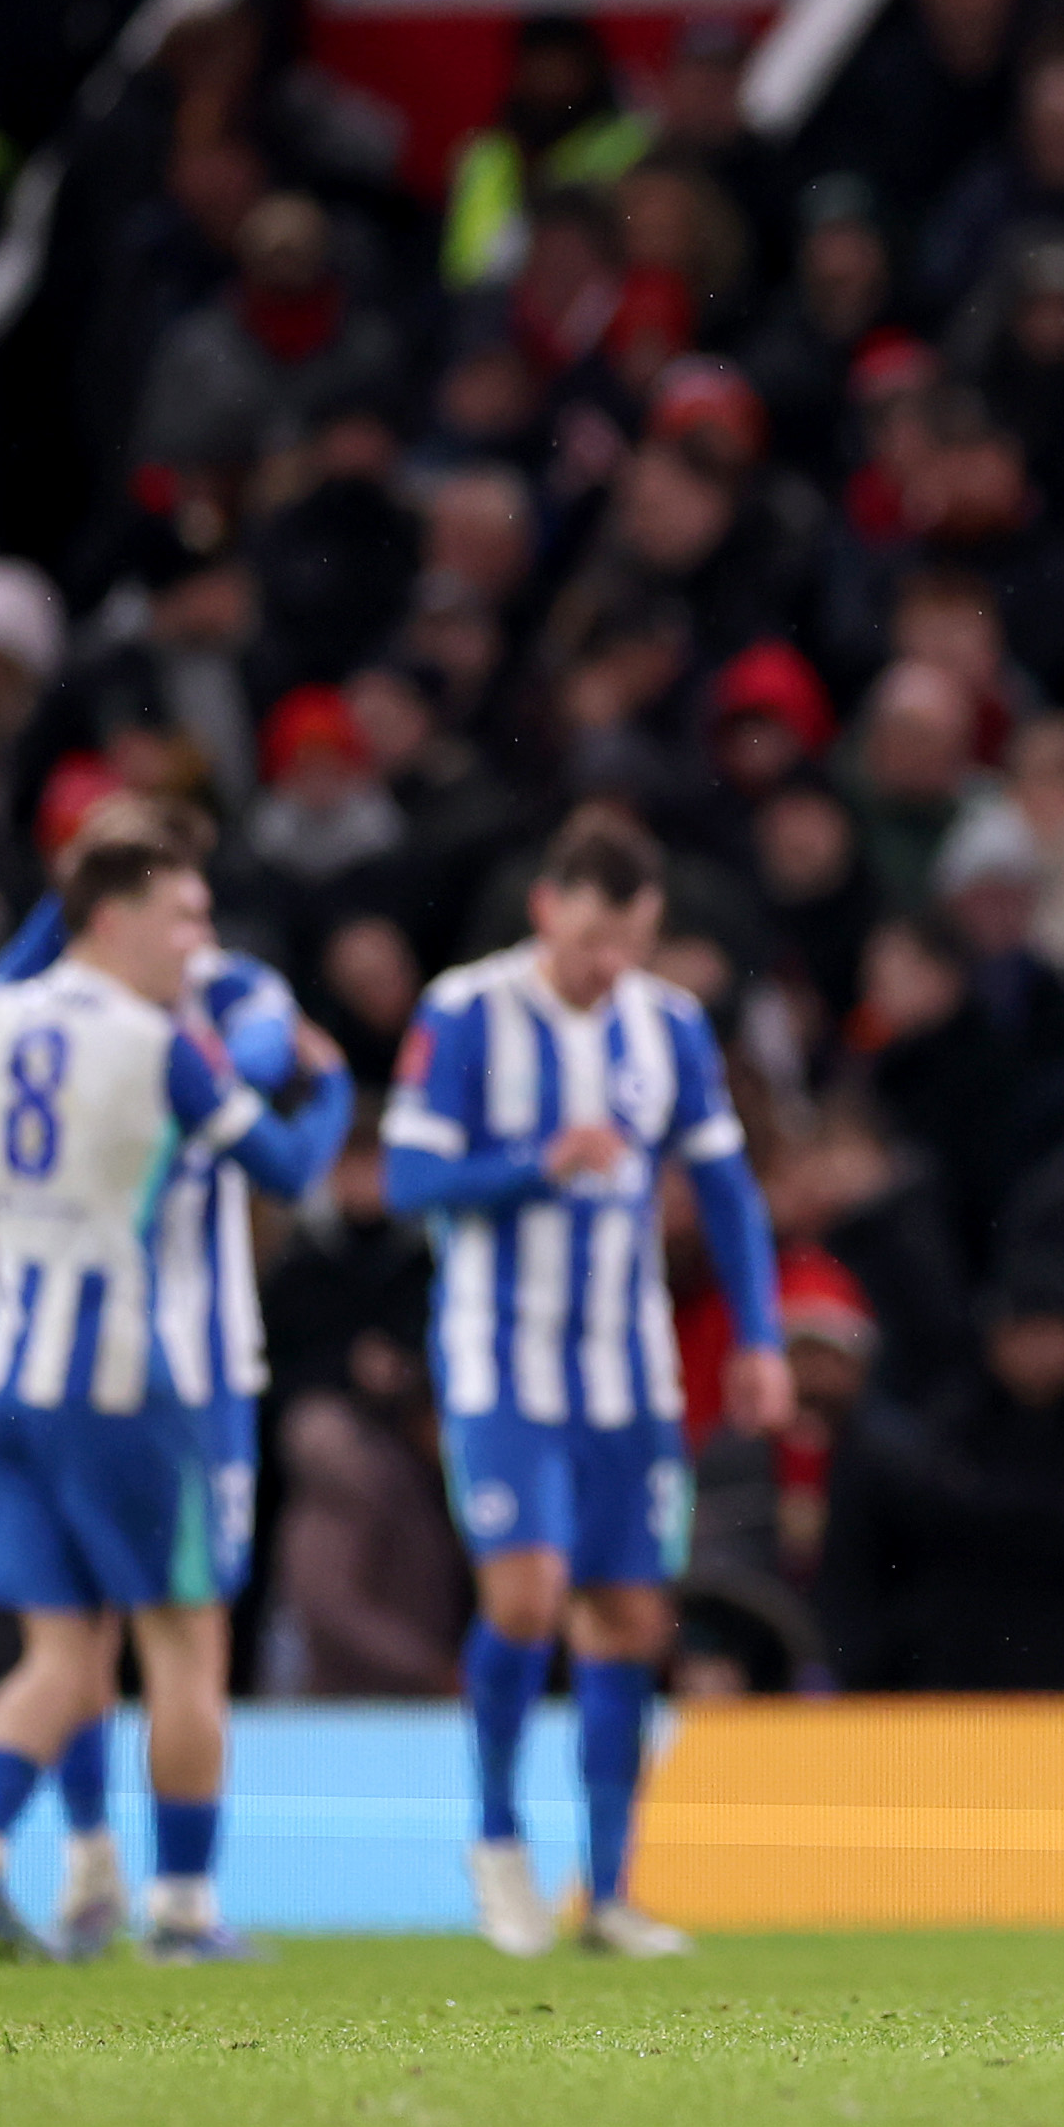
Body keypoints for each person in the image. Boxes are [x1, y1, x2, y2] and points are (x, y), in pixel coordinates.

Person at [0, 826, 350, 1962]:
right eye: (182, 916)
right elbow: (289, 1161)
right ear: (111, 916)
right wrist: (337, 1081)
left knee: (62, 1650)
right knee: (184, 1643)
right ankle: (184, 1907)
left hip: (3, 1361)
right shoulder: (164, 1039)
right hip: (135, 1374)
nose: (199, 941)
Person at [382, 807, 790, 1959]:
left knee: (629, 1616)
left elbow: (727, 1194)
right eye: (592, 942)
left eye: (632, 944)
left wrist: (757, 1337)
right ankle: (499, 1839)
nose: (611, 968)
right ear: (546, 911)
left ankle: (607, 1893)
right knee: (523, 1597)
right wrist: (533, 1163)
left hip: (630, 1373)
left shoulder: (670, 1027)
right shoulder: (466, 1011)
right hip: (500, 1360)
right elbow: (409, 1176)